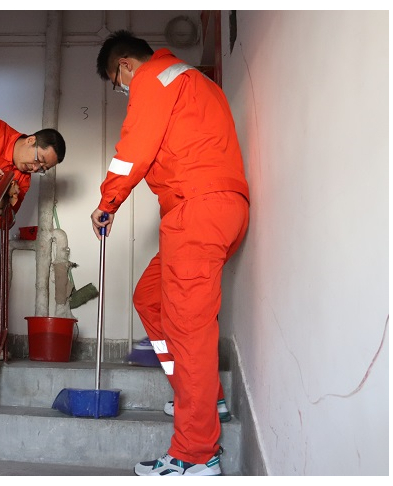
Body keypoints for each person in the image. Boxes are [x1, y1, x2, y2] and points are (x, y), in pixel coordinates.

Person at [93, 30, 250, 477]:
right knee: (150, 297)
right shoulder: (198, 81)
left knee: (188, 331)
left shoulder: (153, 78)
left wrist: (107, 203)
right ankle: (199, 395)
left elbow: (134, 149)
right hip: (219, 209)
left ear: (125, 65)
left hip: (196, 211)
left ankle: (196, 454)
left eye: (117, 83)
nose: (124, 90)